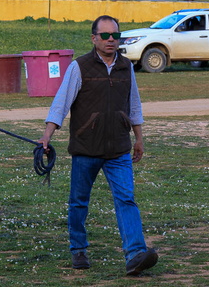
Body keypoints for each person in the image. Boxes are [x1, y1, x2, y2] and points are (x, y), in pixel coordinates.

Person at [38, 15, 158, 276]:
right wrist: (47, 135)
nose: (111, 40)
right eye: (105, 35)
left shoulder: (126, 67)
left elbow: (134, 104)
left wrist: (138, 138)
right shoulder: (78, 67)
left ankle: (135, 254)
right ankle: (78, 249)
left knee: (126, 199)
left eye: (115, 35)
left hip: (118, 148)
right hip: (86, 148)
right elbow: (61, 104)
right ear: (94, 38)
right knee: (79, 202)